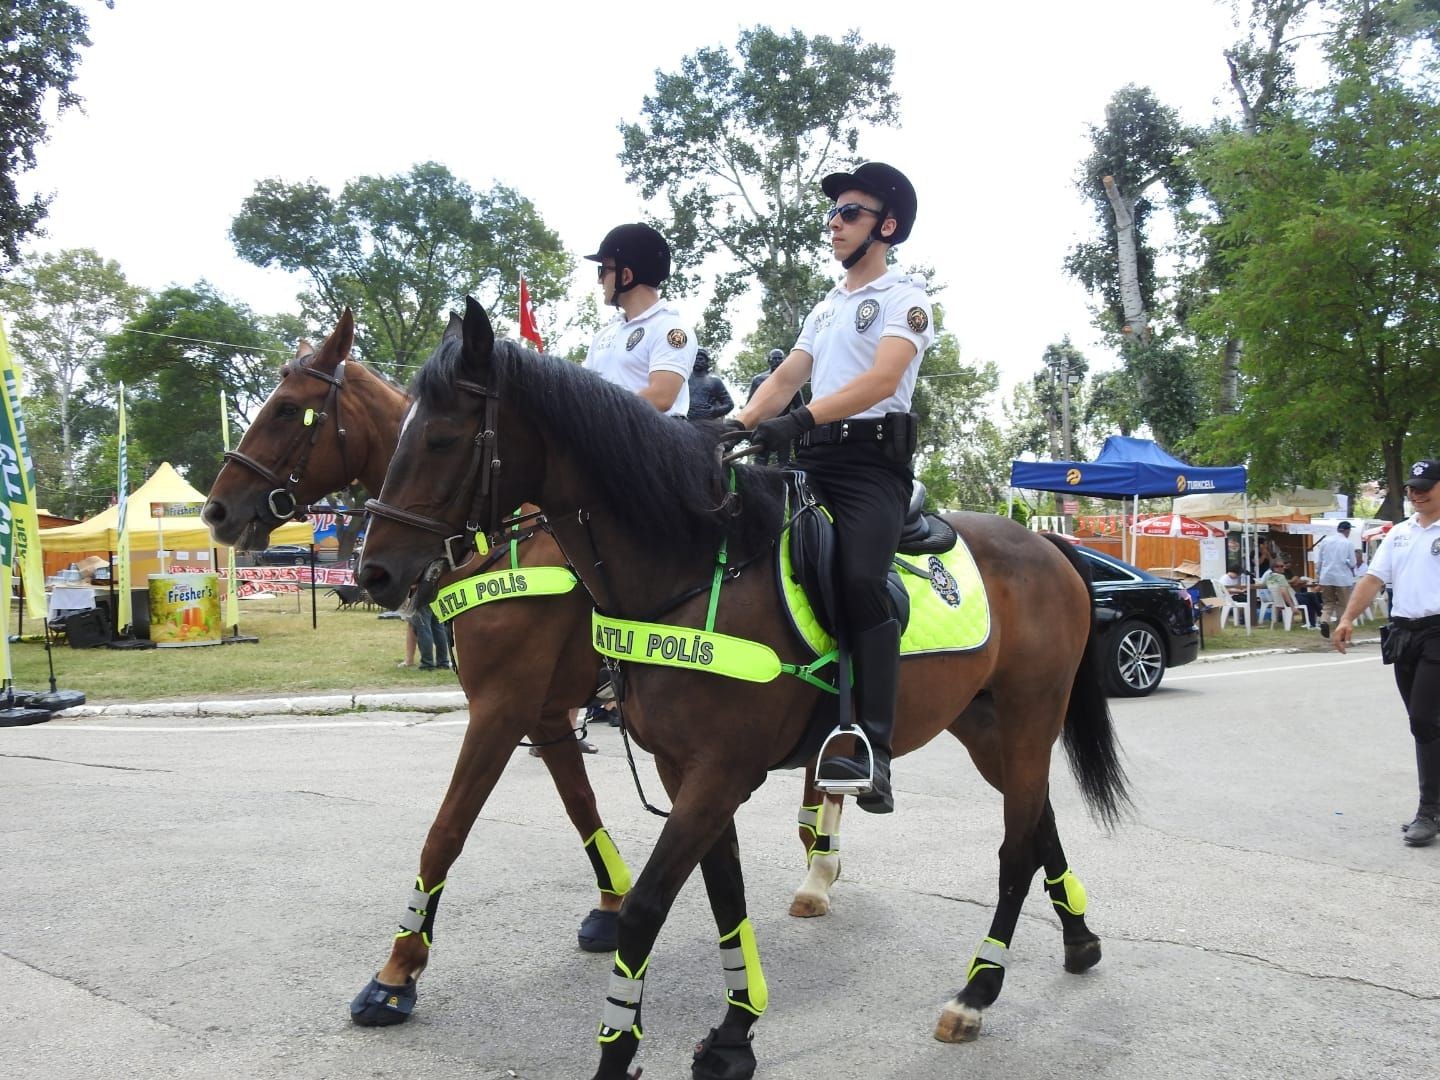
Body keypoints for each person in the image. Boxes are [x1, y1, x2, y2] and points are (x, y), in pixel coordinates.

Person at [737, 161, 933, 815]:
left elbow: (881, 382)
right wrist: (731, 426)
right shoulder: (825, 308)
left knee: (857, 581)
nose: (834, 223)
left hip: (871, 469)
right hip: (811, 461)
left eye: (849, 213)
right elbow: (785, 380)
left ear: (887, 225)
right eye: (832, 213)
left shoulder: (907, 297)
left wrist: (799, 418)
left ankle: (872, 749)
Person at [1332, 459, 1440, 847]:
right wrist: (1347, 617)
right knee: (1421, 721)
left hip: (1438, 635)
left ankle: (1428, 811)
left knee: (1426, 718)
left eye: (1426, 485)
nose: (1416, 492)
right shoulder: (1399, 534)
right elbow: (1374, 579)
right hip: (1404, 635)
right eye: (1412, 486)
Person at [582, 223, 695, 416]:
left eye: (604, 270)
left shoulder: (670, 329)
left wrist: (596, 416)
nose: (600, 280)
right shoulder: (603, 335)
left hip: (655, 442)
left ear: (625, 276)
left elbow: (661, 397)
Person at [1315, 521, 1357, 636]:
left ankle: (1324, 620)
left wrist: (1319, 575)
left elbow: (1320, 561)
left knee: (1328, 602)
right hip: (1342, 578)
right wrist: (1348, 564)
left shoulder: (1325, 541)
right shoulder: (1347, 543)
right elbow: (1353, 563)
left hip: (1326, 577)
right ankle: (1340, 629)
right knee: (1343, 604)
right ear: (1347, 530)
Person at [745, 348, 806, 415]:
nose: (777, 361)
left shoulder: (791, 380)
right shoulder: (758, 380)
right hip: (762, 421)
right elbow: (749, 405)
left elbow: (800, 406)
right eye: (774, 358)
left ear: (784, 361)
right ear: (769, 360)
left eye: (780, 358)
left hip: (782, 421)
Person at [685, 347, 734, 421]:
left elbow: (729, 404)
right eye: (696, 359)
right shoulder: (685, 378)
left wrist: (714, 411)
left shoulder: (715, 381)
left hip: (705, 423)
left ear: (706, 362)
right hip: (684, 421)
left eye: (701, 359)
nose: (698, 361)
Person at [408, 605, 450, 671]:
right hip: (437, 598)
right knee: (439, 628)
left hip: (423, 599)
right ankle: (443, 662)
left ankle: (427, 663)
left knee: (423, 628)